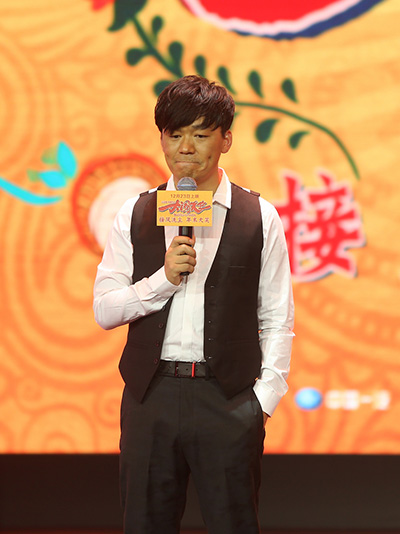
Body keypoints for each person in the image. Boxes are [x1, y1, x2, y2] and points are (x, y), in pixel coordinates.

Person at [93, 75, 294, 534]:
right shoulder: (136, 213)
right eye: (175, 134)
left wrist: (263, 401)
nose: (185, 148)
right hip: (151, 397)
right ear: (162, 138)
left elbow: (277, 318)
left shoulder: (259, 217)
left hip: (227, 400)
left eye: (201, 135)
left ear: (226, 140)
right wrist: (162, 281)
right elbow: (104, 310)